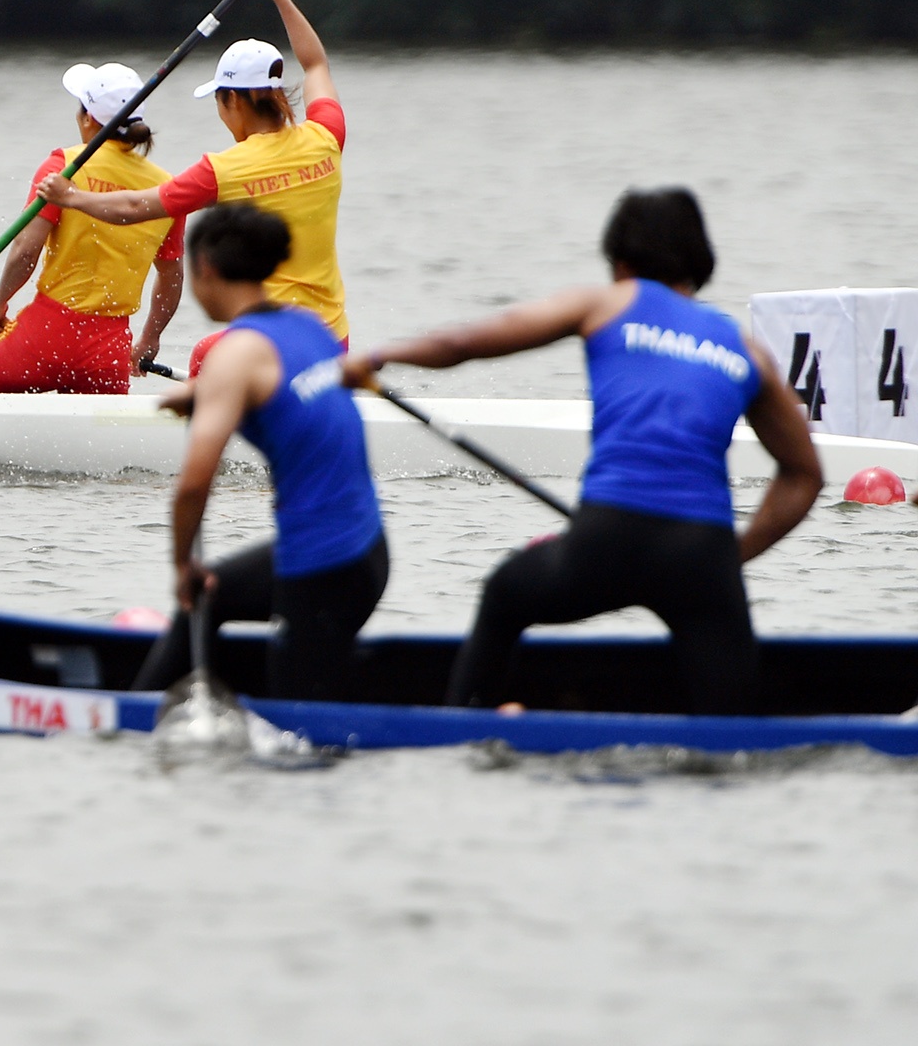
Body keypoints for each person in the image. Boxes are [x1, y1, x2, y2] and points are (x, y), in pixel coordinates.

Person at [345, 187, 822, 714]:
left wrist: (379, 356)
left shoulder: (607, 303)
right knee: (731, 724)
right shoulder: (748, 350)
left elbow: (465, 345)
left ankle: (463, 723)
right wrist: (732, 556)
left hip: (609, 536)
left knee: (505, 595)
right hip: (701, 554)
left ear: (620, 262)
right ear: (699, 264)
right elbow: (804, 475)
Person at [133, 203, 389, 700]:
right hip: (367, 550)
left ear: (204, 266)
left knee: (298, 736)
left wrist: (182, 565)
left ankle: (127, 721)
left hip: (323, 567)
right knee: (212, 599)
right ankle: (138, 707)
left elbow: (192, 484)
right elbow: (286, 389)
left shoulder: (235, 354)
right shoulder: (310, 327)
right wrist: (199, 395)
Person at [38, 0, 352, 343]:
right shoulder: (326, 136)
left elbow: (135, 208)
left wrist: (72, 197)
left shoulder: (223, 171)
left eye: (218, 102)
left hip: (270, 341)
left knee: (206, 354)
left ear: (232, 101)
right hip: (332, 337)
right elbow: (315, 62)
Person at [0, 63, 183, 393]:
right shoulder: (166, 188)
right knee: (103, 439)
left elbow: (25, 249)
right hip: (109, 348)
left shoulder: (62, 168)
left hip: (47, 334)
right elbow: (172, 276)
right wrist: (151, 336)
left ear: (88, 118)